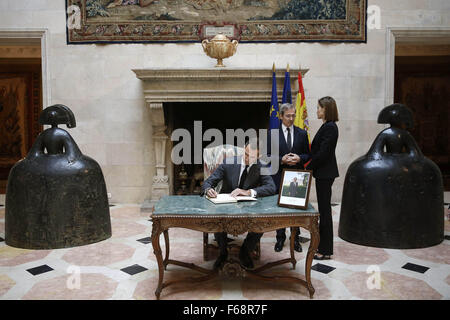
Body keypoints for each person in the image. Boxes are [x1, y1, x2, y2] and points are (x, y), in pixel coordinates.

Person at [202, 139, 276, 270]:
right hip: (226, 204)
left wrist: (248, 192)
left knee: (263, 221)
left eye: (252, 157)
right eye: (246, 154)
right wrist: (209, 190)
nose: (247, 158)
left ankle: (245, 251)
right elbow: (208, 182)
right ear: (244, 149)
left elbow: (271, 187)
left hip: (249, 207)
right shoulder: (229, 163)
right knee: (216, 218)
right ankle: (223, 253)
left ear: (258, 156)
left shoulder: (261, 166)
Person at [269, 103, 311, 253]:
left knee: (295, 209)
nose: (291, 118)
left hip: (297, 176)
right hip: (279, 175)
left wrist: (299, 158)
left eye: (293, 115)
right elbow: (266, 156)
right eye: (288, 116)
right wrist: (281, 159)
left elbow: (308, 154)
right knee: (280, 209)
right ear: (281, 116)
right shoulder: (272, 134)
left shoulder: (301, 133)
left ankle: (295, 239)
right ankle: (280, 238)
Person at [305, 96, 339, 260]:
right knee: (323, 210)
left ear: (326, 109)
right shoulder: (327, 126)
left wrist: (307, 166)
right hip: (323, 173)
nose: (317, 110)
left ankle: (325, 250)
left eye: (319, 107)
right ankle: (323, 246)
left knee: (325, 212)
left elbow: (323, 154)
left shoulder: (330, 127)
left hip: (325, 173)